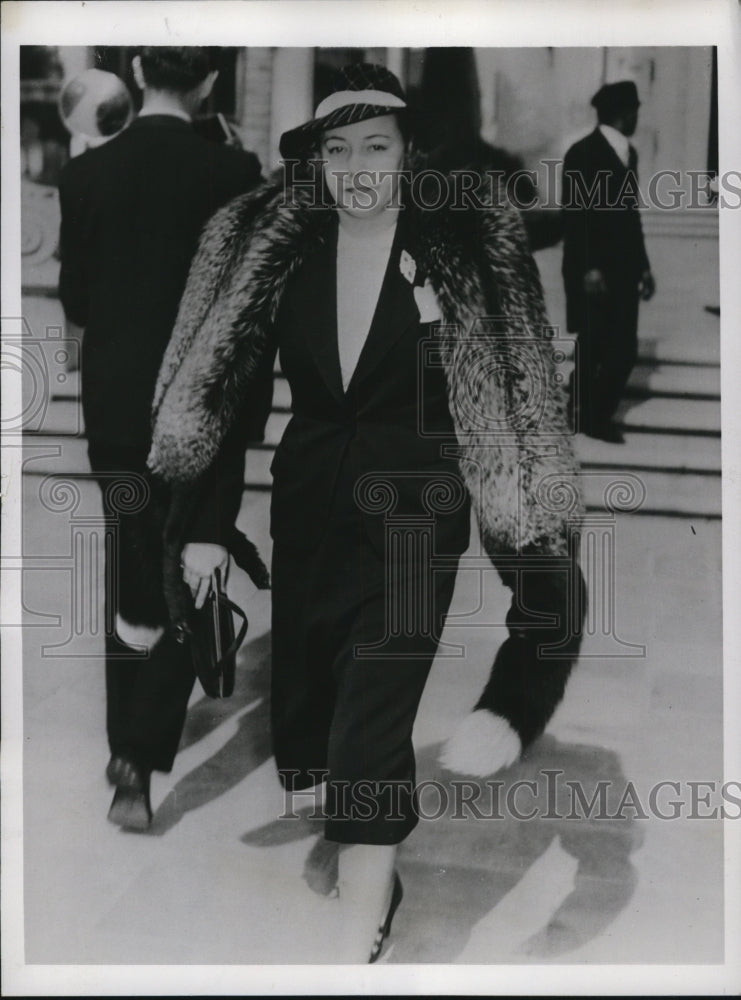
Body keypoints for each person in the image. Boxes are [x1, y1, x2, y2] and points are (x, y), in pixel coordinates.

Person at [148, 64, 586, 962]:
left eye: (374, 147)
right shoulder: (283, 248)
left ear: (407, 153)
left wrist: (528, 574)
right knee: (317, 699)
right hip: (308, 504)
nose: (355, 167)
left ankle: (362, 916)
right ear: (315, 162)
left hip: (418, 513)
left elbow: (515, 407)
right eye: (336, 149)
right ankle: (366, 850)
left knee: (372, 713)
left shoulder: (467, 253)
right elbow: (225, 395)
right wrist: (203, 523)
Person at [57, 46, 263, 829]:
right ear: (210, 81)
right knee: (196, 570)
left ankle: (123, 755)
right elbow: (247, 310)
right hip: (200, 405)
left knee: (134, 574)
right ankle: (141, 754)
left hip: (115, 410)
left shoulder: (85, 174)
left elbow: (77, 295)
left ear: (138, 73)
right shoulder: (235, 172)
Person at [561, 80, 656, 443]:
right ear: (624, 112)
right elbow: (576, 216)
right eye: (635, 110)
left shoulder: (628, 154)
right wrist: (589, 268)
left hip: (624, 268)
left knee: (620, 348)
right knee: (596, 342)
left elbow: (630, 217)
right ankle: (592, 417)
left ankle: (587, 412)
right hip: (594, 271)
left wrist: (644, 266)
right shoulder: (582, 153)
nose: (637, 117)